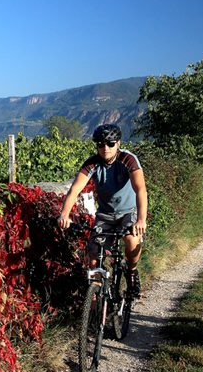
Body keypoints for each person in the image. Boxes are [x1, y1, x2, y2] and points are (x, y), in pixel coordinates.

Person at [57, 124, 148, 296]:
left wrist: (141, 220)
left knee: (131, 240)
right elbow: (74, 190)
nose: (105, 148)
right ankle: (95, 309)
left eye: (110, 144)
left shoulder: (128, 159)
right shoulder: (92, 164)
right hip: (105, 215)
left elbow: (141, 190)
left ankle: (132, 271)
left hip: (129, 211)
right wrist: (64, 215)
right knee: (94, 258)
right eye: (100, 144)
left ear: (118, 143)